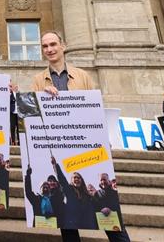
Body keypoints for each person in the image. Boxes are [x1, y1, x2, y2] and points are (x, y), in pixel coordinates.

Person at [32, 30, 130, 242]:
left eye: (53, 44)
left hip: (85, 150)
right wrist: (41, 97)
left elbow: (95, 113)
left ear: (63, 46)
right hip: (58, 149)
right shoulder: (38, 80)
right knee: (67, 216)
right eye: (45, 47)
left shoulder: (83, 76)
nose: (49, 49)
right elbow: (33, 119)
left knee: (107, 211)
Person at [51, 156, 96, 230]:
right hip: (71, 224)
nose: (76, 179)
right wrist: (55, 165)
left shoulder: (87, 195)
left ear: (81, 180)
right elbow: (62, 179)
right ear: (71, 181)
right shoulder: (69, 190)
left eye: (78, 177)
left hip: (86, 225)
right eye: (74, 177)